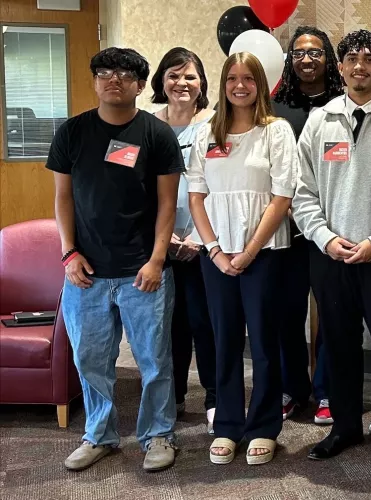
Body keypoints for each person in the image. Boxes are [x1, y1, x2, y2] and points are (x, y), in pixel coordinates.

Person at [293, 30, 371, 472]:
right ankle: (345, 426)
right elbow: (302, 190)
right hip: (329, 256)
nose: (360, 66)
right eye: (351, 58)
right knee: (338, 345)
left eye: (370, 59)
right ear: (341, 67)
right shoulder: (320, 120)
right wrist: (324, 237)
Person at [48, 47, 183, 472]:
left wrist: (157, 260)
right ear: (94, 81)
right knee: (90, 360)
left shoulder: (157, 135)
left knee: (154, 360)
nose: (114, 79)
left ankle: (158, 434)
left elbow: (167, 204)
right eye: (104, 71)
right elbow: (63, 198)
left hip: (143, 270)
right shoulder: (71, 133)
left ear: (140, 85)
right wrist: (68, 252)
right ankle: (99, 435)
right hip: (85, 273)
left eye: (125, 73)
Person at [187, 52, 298, 466]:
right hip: (216, 255)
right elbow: (196, 197)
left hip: (264, 253)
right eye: (232, 78)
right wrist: (215, 250)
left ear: (260, 84)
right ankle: (228, 425)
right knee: (225, 340)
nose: (240, 85)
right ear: (223, 83)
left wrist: (249, 250)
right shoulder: (206, 133)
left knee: (265, 341)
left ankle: (264, 426)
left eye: (248, 78)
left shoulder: (276, 131)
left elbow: (282, 196)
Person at [272, 25, 345, 424]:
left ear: (328, 59)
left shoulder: (343, 103)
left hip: (330, 228)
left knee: (332, 314)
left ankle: (328, 390)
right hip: (285, 230)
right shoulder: (275, 107)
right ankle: (291, 388)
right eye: (298, 53)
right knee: (287, 313)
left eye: (315, 52)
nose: (306, 59)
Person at [150, 47, 217, 435]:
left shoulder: (215, 127)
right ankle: (171, 397)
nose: (182, 83)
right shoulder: (146, 127)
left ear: (202, 83)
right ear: (161, 81)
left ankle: (213, 399)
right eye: (174, 75)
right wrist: (164, 237)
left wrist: (197, 236)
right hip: (158, 245)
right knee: (167, 326)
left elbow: (221, 185)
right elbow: (136, 187)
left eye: (190, 76)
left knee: (204, 322)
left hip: (203, 242)